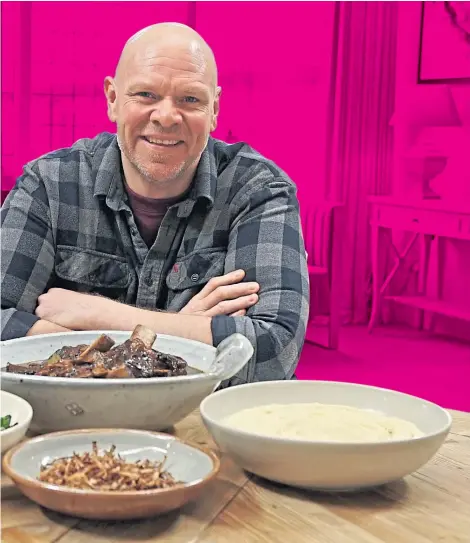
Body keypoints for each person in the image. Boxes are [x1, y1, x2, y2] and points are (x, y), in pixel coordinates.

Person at [1, 23, 309, 386]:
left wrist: (94, 314)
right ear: (113, 99)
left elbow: (274, 350)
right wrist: (183, 331)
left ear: (214, 110)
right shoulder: (49, 184)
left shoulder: (258, 190)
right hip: (69, 422)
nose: (166, 116)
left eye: (190, 99)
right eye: (146, 94)